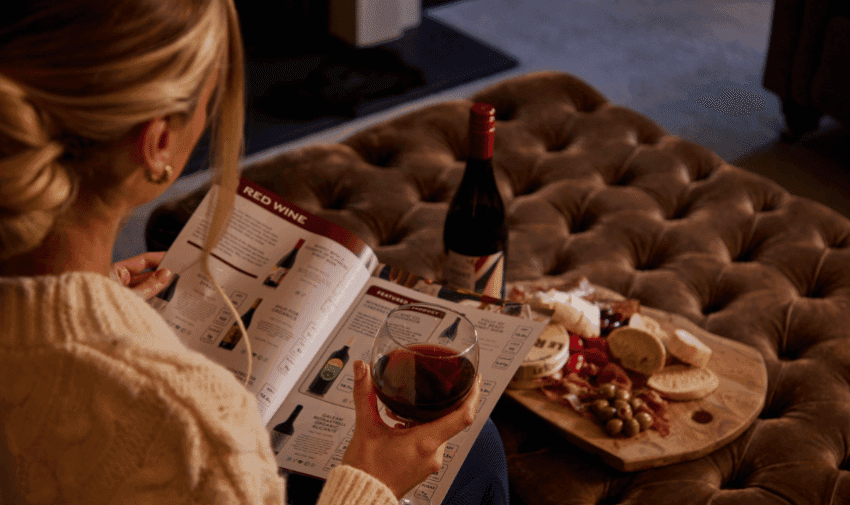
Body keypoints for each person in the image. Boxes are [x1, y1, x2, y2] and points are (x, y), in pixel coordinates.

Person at [0, 1, 502, 504]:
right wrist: (370, 484)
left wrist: (79, 300)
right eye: (209, 97)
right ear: (158, 144)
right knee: (476, 449)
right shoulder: (196, 426)